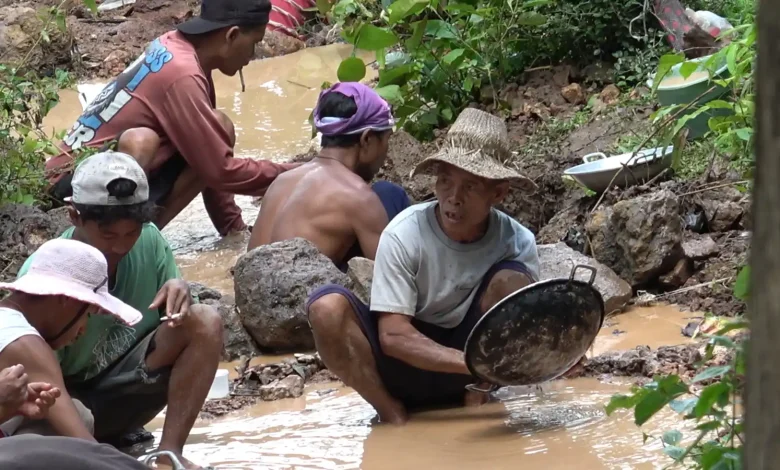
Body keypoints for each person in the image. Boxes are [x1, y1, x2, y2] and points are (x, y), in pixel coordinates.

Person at [305, 108, 543, 425]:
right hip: (402, 367)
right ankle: (391, 413)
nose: (453, 197)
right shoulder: (404, 233)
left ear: (498, 193)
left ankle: (479, 397)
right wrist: (474, 364)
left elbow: (527, 327)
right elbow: (393, 336)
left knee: (513, 281)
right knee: (325, 309)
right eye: (445, 181)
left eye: (470, 186)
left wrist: (493, 372)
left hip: (475, 367)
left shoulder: (517, 242)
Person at [17, 151, 223, 469]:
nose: (120, 246)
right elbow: (40, 385)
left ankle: (169, 455)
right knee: (73, 422)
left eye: (132, 233)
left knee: (205, 320)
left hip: (125, 386)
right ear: (74, 216)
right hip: (64, 406)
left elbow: (181, 320)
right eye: (107, 234)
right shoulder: (46, 276)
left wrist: (181, 293)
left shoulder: (151, 241)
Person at [45, 0, 299, 237]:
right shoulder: (183, 75)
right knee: (146, 141)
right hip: (73, 190)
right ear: (231, 35)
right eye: (254, 43)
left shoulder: (175, 46)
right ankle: (130, 241)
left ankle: (142, 236)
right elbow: (220, 172)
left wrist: (234, 229)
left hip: (86, 174)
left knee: (217, 128)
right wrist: (300, 172)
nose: (252, 55)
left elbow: (211, 156)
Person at [248, 82, 410, 268]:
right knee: (389, 194)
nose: (386, 152)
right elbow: (391, 279)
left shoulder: (282, 181)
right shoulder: (357, 196)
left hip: (254, 291)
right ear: (367, 139)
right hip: (304, 294)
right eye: (387, 139)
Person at [0, 238, 143, 439]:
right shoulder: (24, 342)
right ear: (67, 299)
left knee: (77, 413)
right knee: (52, 437)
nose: (83, 329)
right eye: (88, 314)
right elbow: (84, 442)